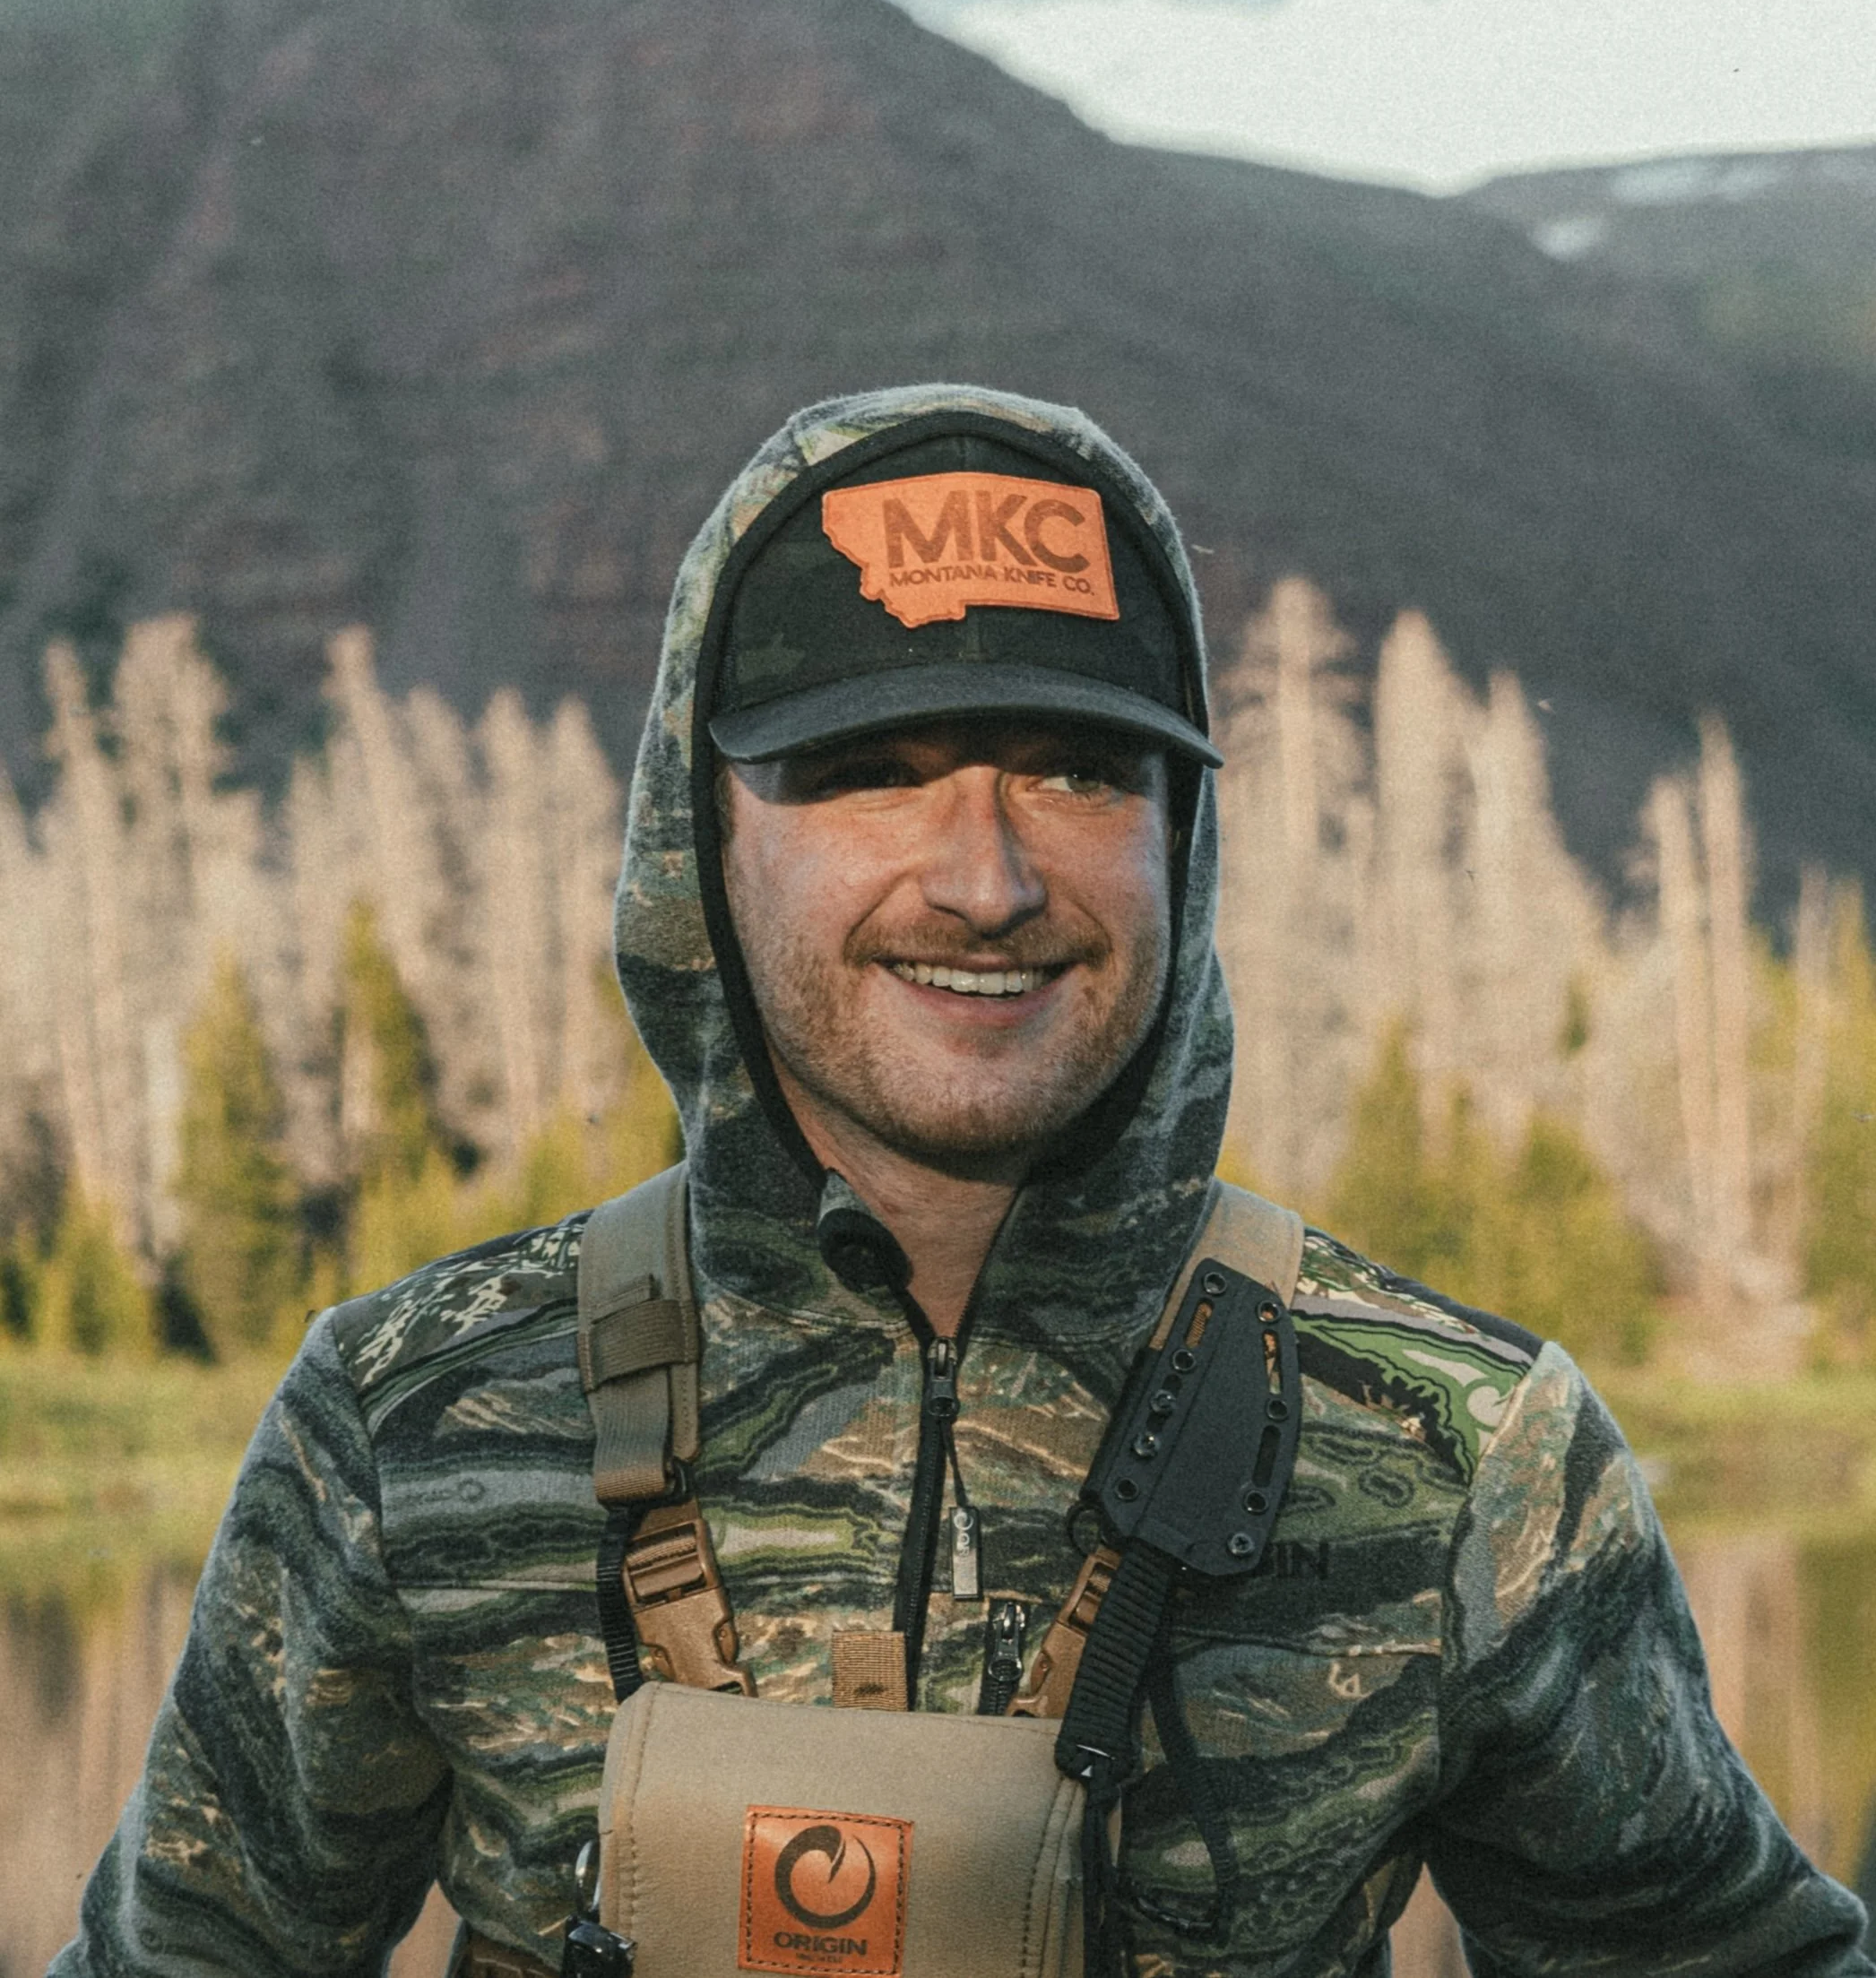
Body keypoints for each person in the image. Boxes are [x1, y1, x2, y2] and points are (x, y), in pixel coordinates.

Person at [56, 384, 1871, 1978]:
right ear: (710, 838)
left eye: (1079, 768)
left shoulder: (1460, 1453)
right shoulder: (411, 1421)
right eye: (871, 771)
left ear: (1183, 835)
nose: (984, 874)